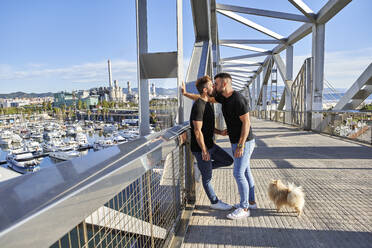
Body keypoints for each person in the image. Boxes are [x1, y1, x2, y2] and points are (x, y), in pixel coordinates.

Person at [182, 72, 256, 220]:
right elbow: (203, 99)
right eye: (212, 84)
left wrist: (241, 145)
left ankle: (244, 208)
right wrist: (186, 94)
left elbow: (246, 123)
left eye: (216, 83)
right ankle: (251, 202)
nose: (214, 86)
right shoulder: (222, 97)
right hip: (235, 141)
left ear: (224, 84)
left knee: (238, 173)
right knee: (246, 171)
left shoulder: (238, 99)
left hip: (244, 142)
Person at [186, 75, 234, 210]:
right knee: (207, 179)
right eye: (212, 85)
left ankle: (202, 168)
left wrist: (220, 132)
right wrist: (204, 151)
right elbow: (197, 131)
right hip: (201, 148)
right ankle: (215, 202)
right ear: (206, 90)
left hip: (210, 145)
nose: (214, 86)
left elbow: (207, 127)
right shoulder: (199, 106)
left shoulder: (207, 103)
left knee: (228, 160)